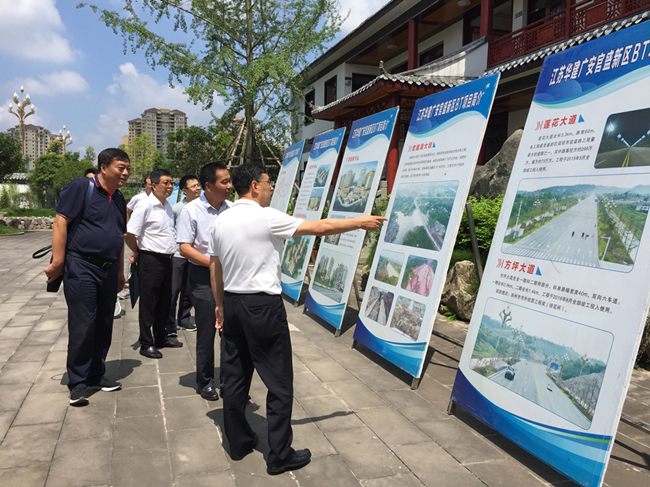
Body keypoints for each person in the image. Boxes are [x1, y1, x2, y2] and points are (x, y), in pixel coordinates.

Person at [208, 162, 386, 474]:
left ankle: (238, 443)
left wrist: (219, 305)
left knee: (234, 378)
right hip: (262, 306)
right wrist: (360, 222)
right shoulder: (266, 217)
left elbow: (215, 266)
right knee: (279, 381)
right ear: (254, 186)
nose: (271, 188)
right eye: (268, 182)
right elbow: (320, 227)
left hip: (233, 303)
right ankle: (279, 454)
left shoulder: (221, 220)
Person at [44, 148, 131, 406]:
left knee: (104, 323)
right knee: (84, 324)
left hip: (108, 269)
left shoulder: (119, 198)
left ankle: (95, 374)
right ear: (103, 167)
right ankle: (78, 382)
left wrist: (120, 271)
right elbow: (60, 222)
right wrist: (58, 262)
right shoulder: (82, 187)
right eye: (121, 167)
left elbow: (118, 236)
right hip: (82, 266)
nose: (126, 173)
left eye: (128, 168)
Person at [177, 163, 232, 401]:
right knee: (208, 330)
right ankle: (206, 381)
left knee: (231, 332)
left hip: (231, 277)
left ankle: (230, 382)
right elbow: (185, 248)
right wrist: (213, 265)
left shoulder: (232, 209)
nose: (230, 186)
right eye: (224, 182)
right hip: (202, 277)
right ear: (208, 186)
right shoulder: (191, 210)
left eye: (230, 181)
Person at [125, 168, 181, 358]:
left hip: (167, 258)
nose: (170, 186)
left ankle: (160, 336)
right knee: (149, 302)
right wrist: (138, 251)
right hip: (150, 259)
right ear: (154, 185)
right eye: (166, 183)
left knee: (165, 300)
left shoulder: (167, 206)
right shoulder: (145, 205)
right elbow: (129, 233)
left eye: (172, 183)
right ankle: (146, 342)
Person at [166, 175, 202, 337]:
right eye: (193, 186)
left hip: (195, 255)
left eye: (198, 185)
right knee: (173, 290)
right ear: (184, 191)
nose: (197, 188)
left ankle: (184, 319)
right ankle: (168, 322)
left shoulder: (202, 207)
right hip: (178, 254)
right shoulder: (177, 208)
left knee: (189, 290)